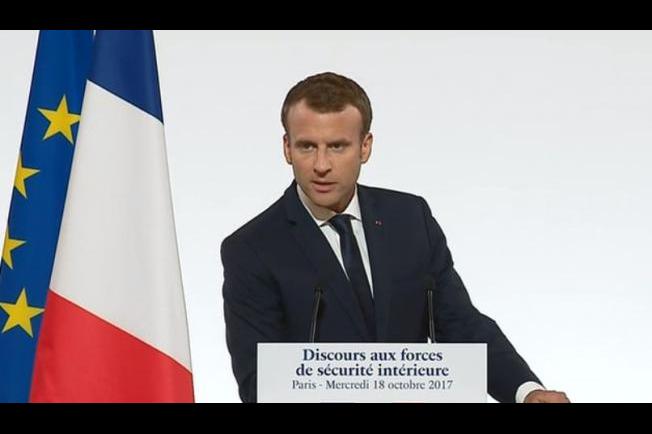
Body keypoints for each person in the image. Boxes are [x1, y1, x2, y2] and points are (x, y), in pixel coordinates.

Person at [221, 71, 569, 403]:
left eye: (338, 146)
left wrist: (525, 391)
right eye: (307, 147)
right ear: (286, 148)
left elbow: (458, 322)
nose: (321, 165)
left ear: (365, 147)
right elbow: (260, 383)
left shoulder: (409, 219)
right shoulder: (252, 248)